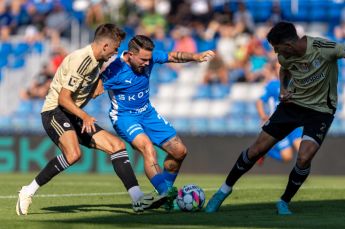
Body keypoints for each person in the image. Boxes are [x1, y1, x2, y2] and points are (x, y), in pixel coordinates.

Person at [16, 24, 165, 216]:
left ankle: (137, 199)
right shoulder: (83, 60)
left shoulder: (95, 61)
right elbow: (63, 98)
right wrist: (85, 115)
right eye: (115, 48)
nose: (116, 52)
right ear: (104, 46)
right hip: (55, 111)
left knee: (117, 146)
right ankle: (28, 191)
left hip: (73, 113)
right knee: (73, 154)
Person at [206, 21, 340, 215]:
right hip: (292, 106)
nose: (277, 55)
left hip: (320, 111)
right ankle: (223, 191)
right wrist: (283, 89)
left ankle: (284, 201)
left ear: (288, 45)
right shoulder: (285, 56)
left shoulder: (323, 48)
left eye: (278, 49)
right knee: (256, 150)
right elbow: (284, 69)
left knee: (303, 158)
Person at [101, 35, 215, 210]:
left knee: (179, 151)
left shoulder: (150, 57)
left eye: (149, 59)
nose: (148, 63)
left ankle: (166, 194)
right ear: (130, 55)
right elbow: (93, 89)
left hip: (148, 113)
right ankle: (166, 194)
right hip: (124, 117)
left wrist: (196, 57)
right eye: (143, 59)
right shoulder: (114, 70)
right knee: (148, 148)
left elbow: (173, 56)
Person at [256, 61, 302, 163]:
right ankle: (264, 151)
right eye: (278, 68)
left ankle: (299, 176)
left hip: (294, 124)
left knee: (303, 152)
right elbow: (259, 102)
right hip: (279, 124)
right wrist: (263, 116)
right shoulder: (272, 85)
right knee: (287, 157)